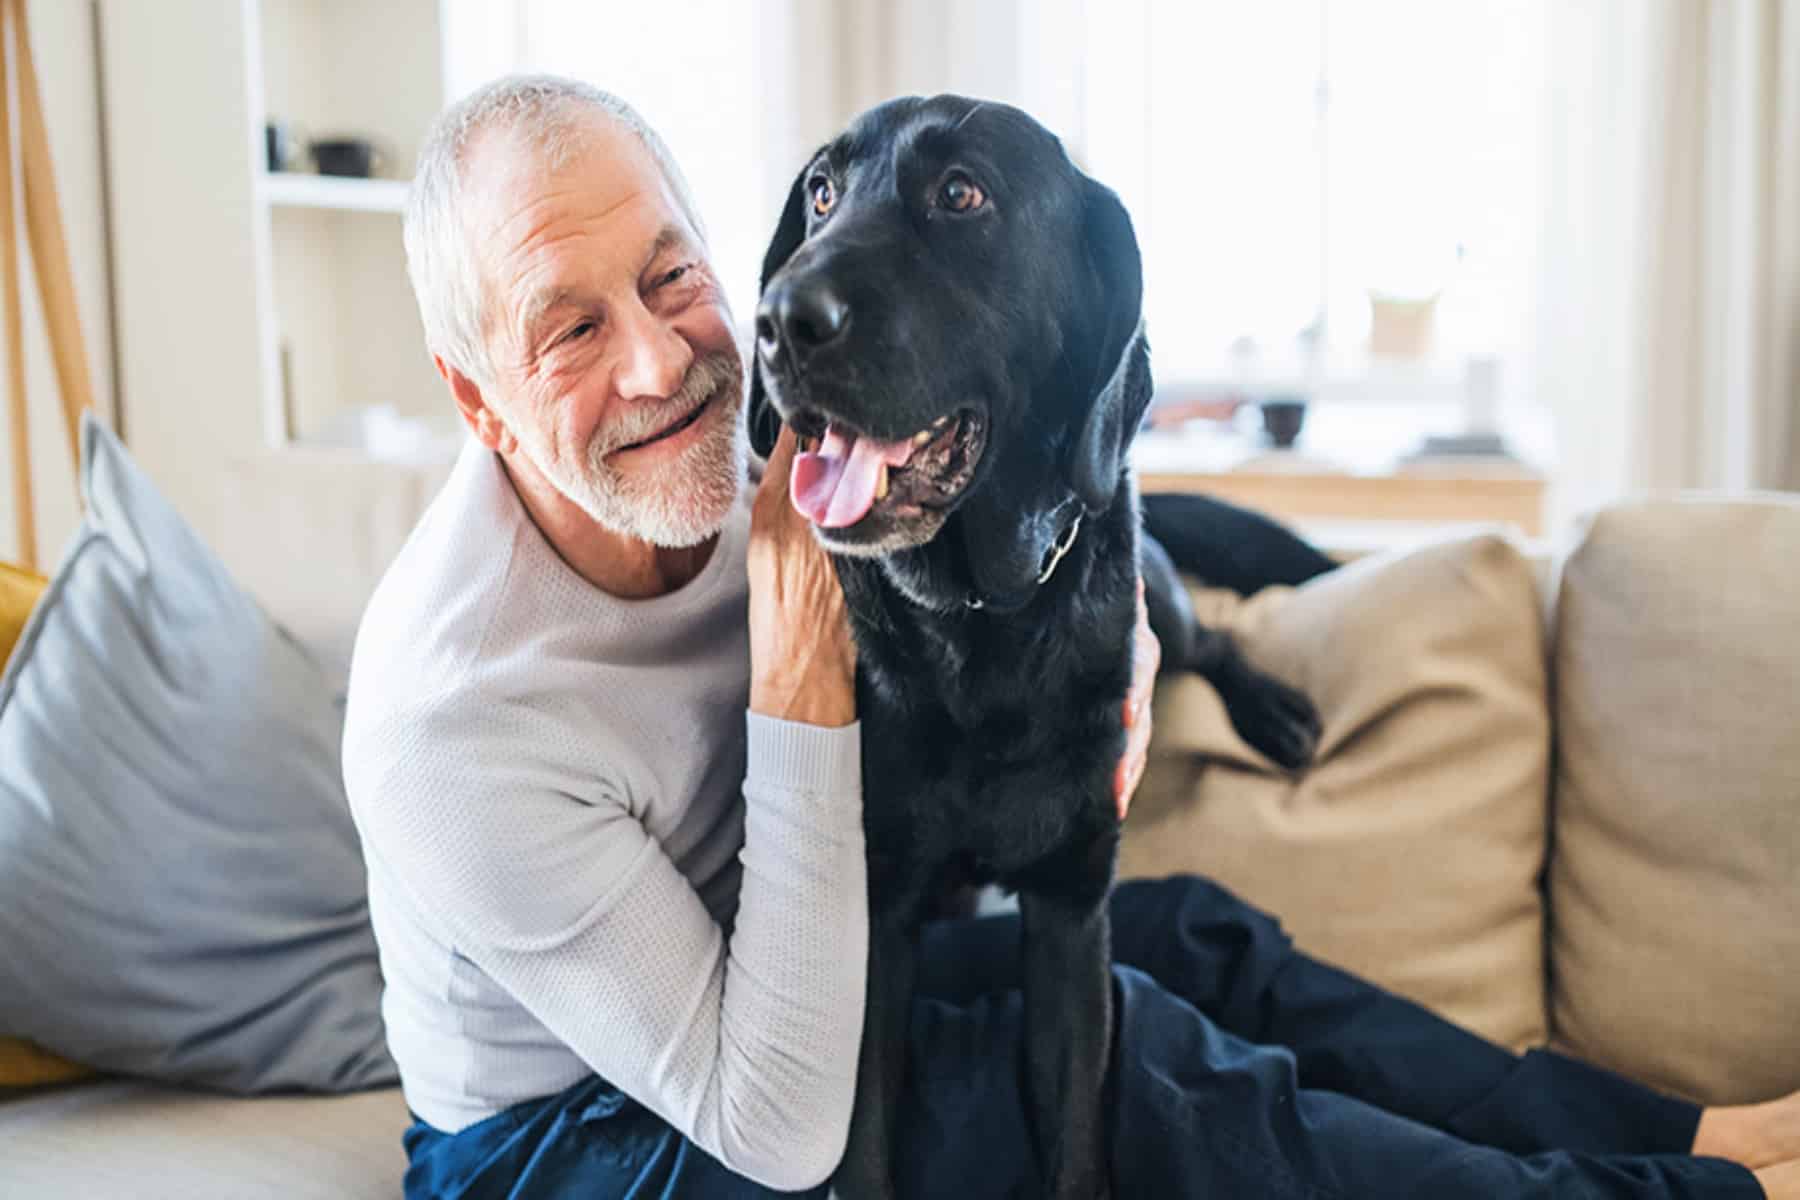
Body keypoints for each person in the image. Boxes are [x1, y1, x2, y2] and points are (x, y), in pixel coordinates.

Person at [343, 74, 1800, 1200]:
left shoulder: (753, 419)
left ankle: (1679, 1122)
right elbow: (773, 1127)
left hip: (809, 974)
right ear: (479, 400)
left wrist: (1136, 654)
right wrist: (799, 674)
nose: (659, 363)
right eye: (568, 333)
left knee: (1185, 937)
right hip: (585, 1138)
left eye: (672, 278)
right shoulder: (452, 724)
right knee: (1140, 1069)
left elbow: (1053, 411)